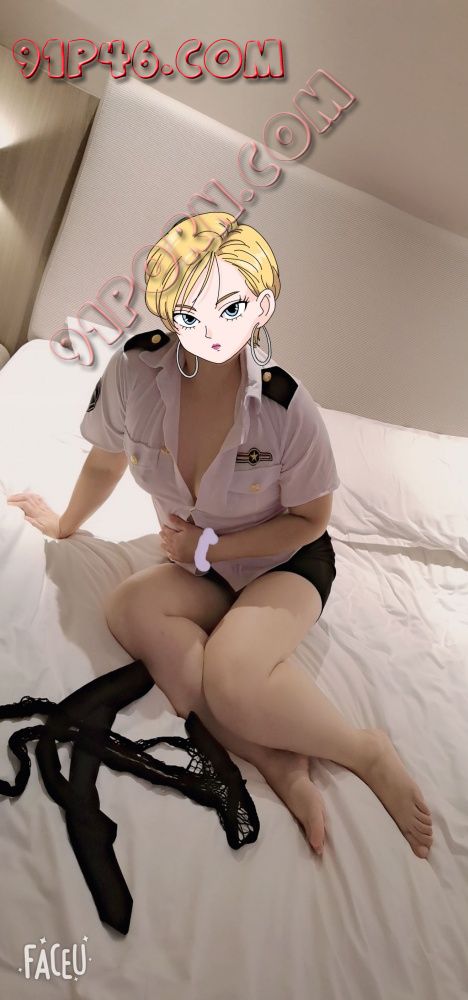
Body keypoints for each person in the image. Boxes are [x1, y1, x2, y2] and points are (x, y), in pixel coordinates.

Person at [7, 213, 433, 860]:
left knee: (233, 676)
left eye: (229, 308)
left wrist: (207, 549)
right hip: (199, 561)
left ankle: (362, 749)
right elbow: (106, 459)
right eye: (189, 312)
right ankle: (277, 762)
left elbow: (311, 521)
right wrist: (66, 524)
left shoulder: (287, 408)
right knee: (128, 609)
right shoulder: (136, 370)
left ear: (261, 308)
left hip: (285, 563)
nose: (208, 329)